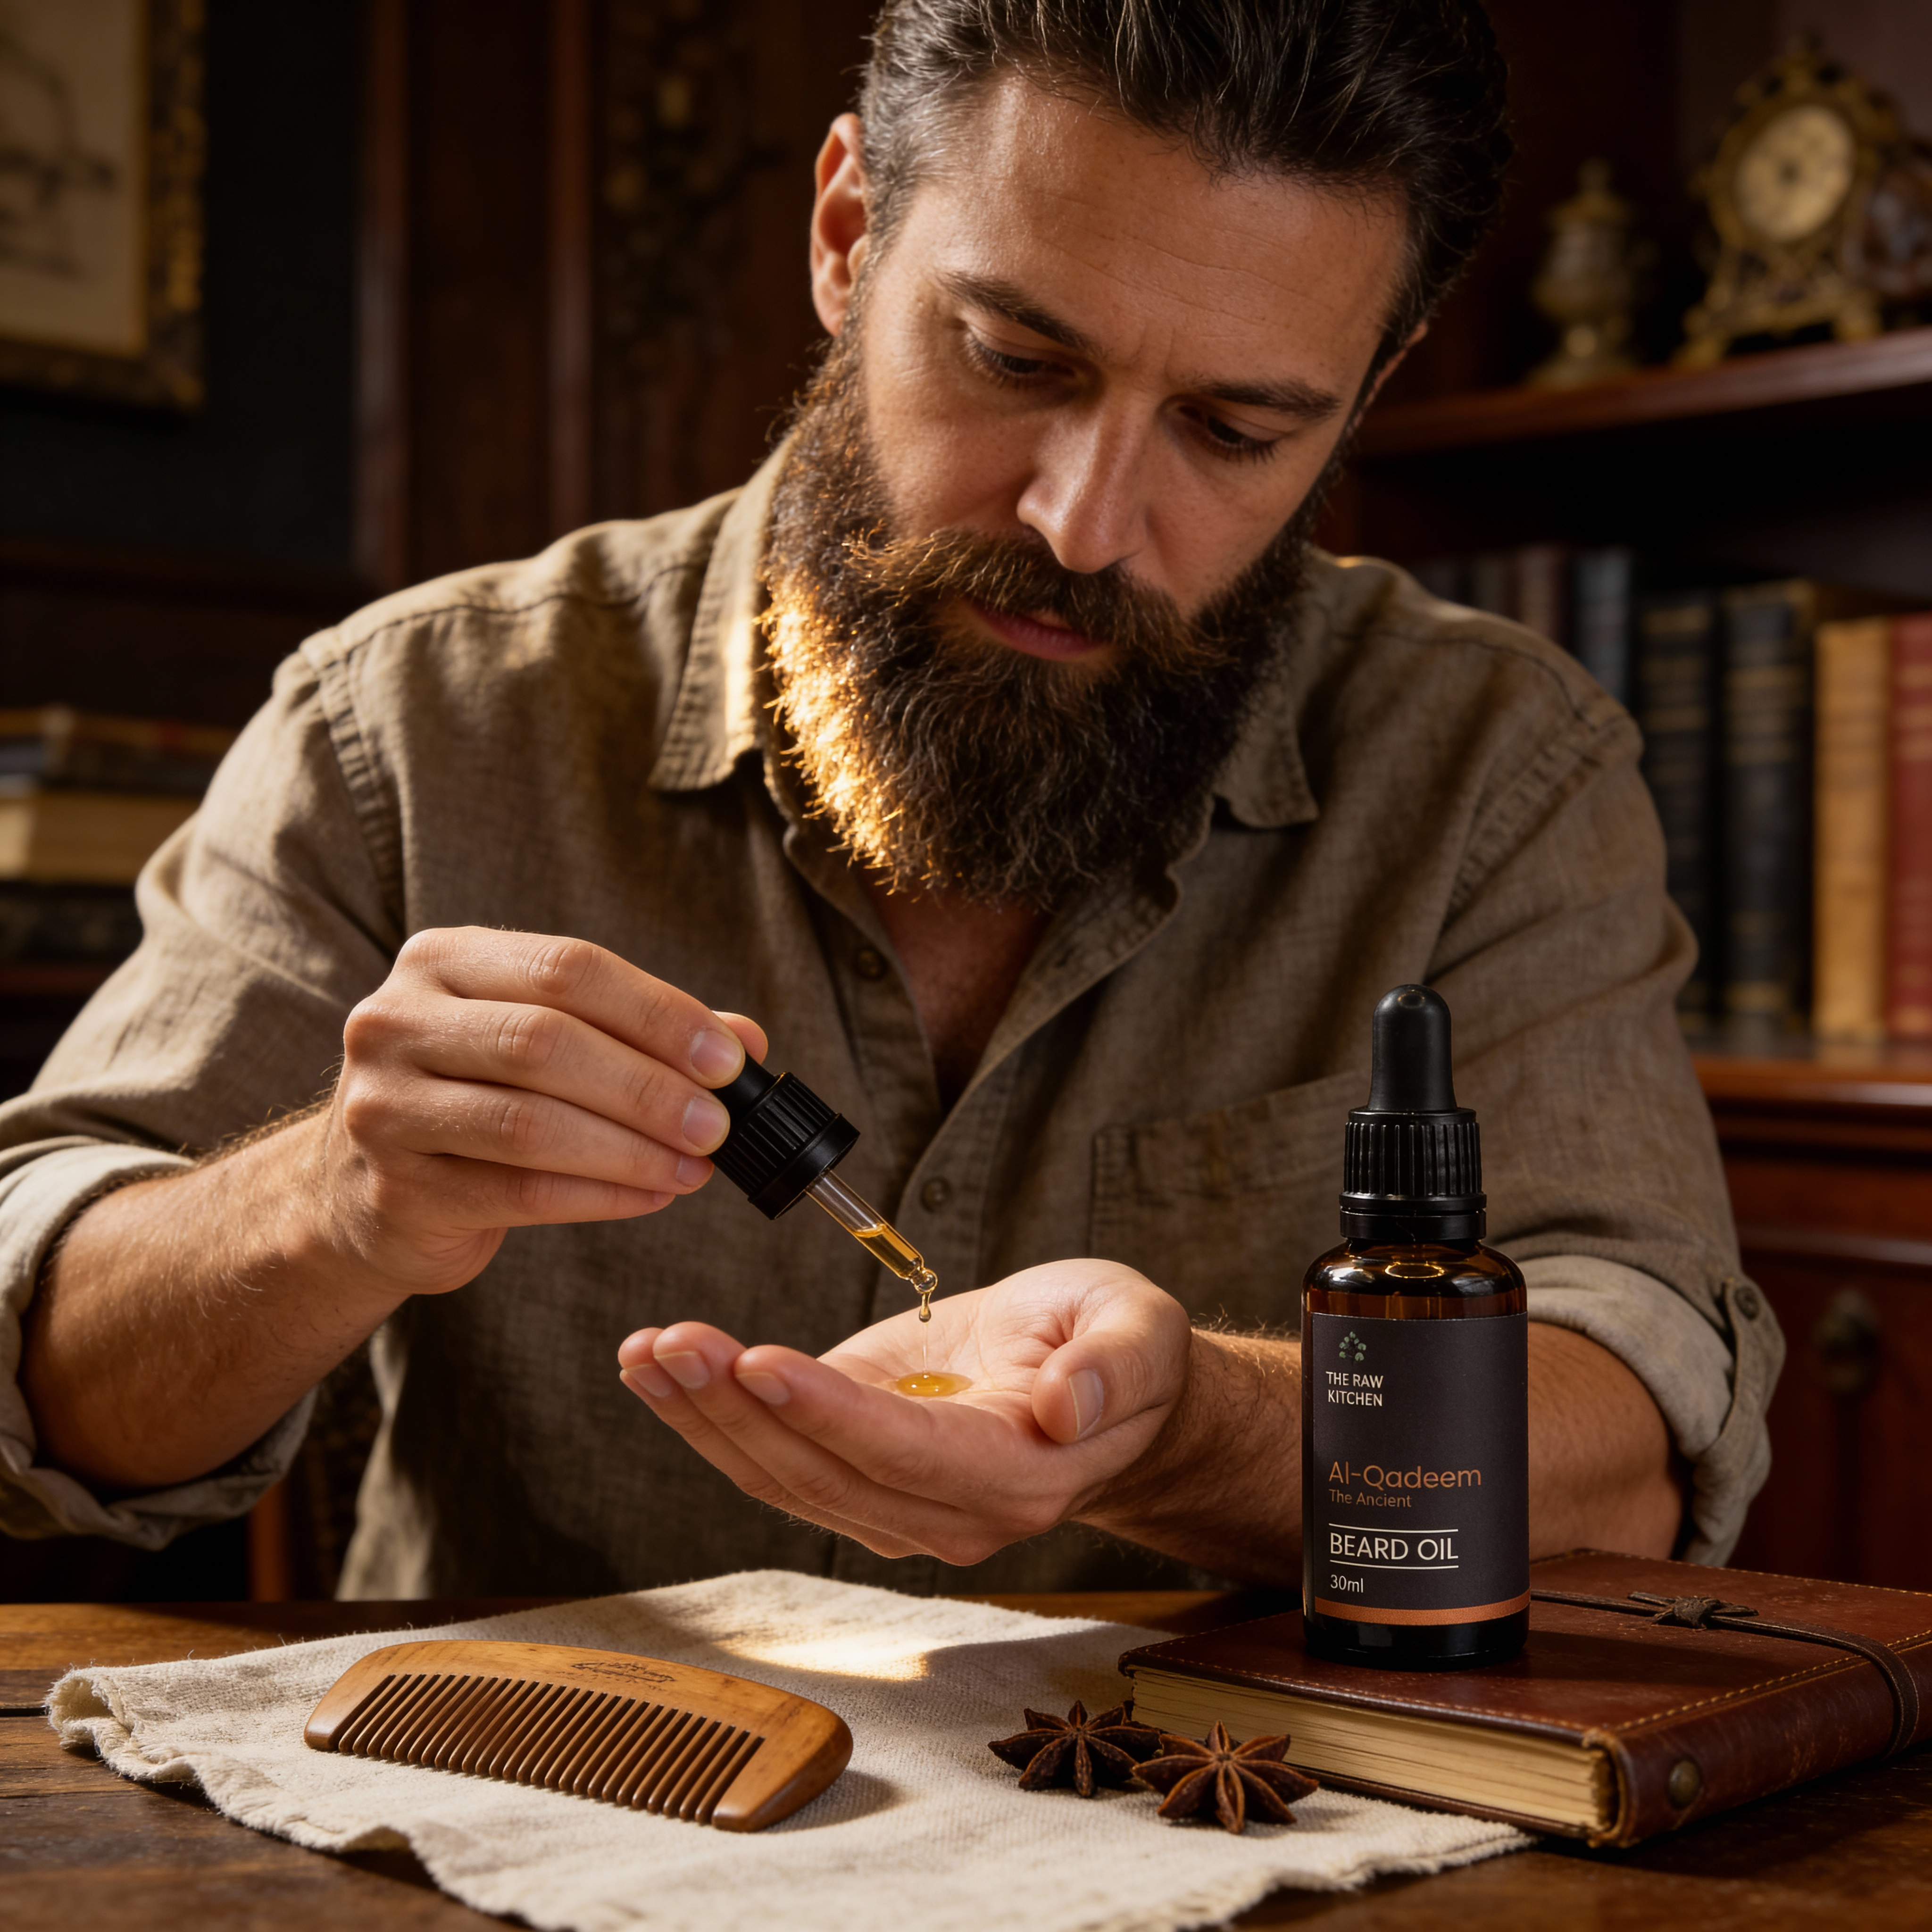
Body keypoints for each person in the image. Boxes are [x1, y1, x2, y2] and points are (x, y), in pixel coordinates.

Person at [0, 0, 1780, 1601]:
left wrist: (1184, 1430)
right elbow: (44, 1385)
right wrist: (334, 1203)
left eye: (1235, 432)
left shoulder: (1495, 770)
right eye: (1018, 358)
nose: (1085, 522)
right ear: (849, 234)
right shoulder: (410, 727)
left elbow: (1633, 1439)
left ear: (1363, 396)